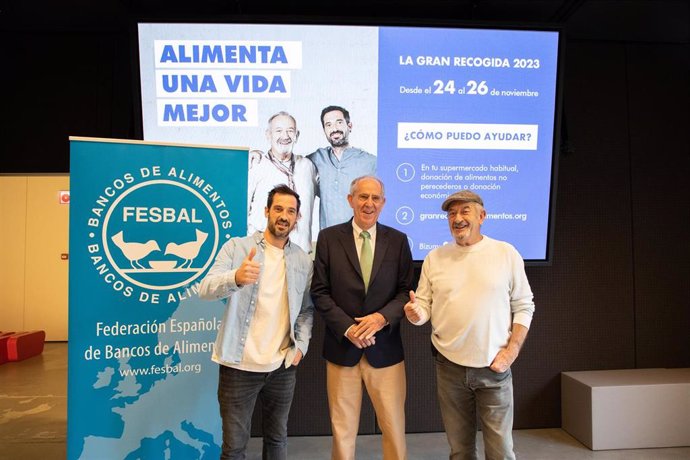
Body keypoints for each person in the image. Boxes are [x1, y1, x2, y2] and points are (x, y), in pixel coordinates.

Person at [404, 190, 535, 460]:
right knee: (460, 451)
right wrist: (416, 313)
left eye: (465, 211)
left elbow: (524, 305)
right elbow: (424, 306)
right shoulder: (435, 258)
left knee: (501, 452)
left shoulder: (505, 253)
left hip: (493, 368)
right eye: (452, 213)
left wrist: (511, 352)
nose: (457, 218)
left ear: (482, 216)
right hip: (449, 368)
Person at [199, 184, 314, 460]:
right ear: (266, 211)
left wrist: (301, 347)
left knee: (277, 440)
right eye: (278, 209)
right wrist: (236, 278)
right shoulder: (238, 247)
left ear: (297, 217)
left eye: (291, 211)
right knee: (234, 448)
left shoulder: (302, 259)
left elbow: (306, 310)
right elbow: (205, 289)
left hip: (282, 366)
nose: (284, 216)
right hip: (238, 366)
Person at [311, 175, 413, 460]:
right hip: (342, 349)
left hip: (387, 351)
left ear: (383, 203)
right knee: (342, 430)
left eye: (375, 198)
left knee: (393, 428)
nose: (369, 204)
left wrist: (381, 318)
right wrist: (348, 329)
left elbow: (406, 291)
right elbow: (319, 292)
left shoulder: (398, 240)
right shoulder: (329, 238)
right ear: (350, 200)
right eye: (362, 197)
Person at [247, 111, 317, 252]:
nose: (285, 136)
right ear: (268, 135)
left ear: (297, 135)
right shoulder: (255, 165)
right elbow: (241, 210)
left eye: (290, 131)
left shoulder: (308, 166)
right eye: (278, 131)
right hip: (263, 252)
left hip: (300, 255)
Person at [308, 106, 376, 229]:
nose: (334, 129)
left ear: (349, 126)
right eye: (328, 125)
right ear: (324, 130)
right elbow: (289, 161)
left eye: (339, 122)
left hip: (360, 239)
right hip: (328, 241)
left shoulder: (370, 162)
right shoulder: (317, 159)